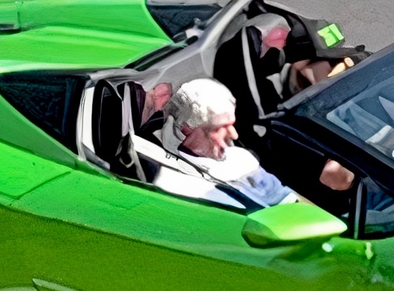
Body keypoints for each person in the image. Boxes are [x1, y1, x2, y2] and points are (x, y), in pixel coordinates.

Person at [142, 79, 353, 209]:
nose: (233, 134)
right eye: (221, 127)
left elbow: (290, 200)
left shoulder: (239, 159)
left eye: (232, 124)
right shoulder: (165, 172)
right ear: (188, 128)